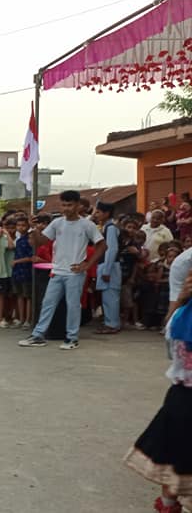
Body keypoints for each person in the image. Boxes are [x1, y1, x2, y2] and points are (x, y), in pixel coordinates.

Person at [124, 265, 192, 513]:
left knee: (175, 459)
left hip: (181, 397)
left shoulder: (179, 316)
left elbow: (170, 345)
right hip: (184, 399)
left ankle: (169, 504)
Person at [20, 190, 106, 350]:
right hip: (57, 270)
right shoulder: (57, 223)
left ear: (78, 205)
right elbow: (42, 242)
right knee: (48, 303)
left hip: (75, 272)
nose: (66, 208)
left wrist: (87, 264)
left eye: (70, 205)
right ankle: (38, 335)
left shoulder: (87, 224)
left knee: (73, 305)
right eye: (64, 205)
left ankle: (72, 338)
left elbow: (102, 245)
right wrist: (33, 229)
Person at [94, 202, 122, 334]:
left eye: (98, 212)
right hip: (106, 265)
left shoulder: (110, 228)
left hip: (110, 267)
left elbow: (112, 249)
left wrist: (106, 270)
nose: (96, 214)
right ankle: (109, 322)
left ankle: (112, 324)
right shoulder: (105, 227)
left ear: (107, 213)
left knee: (110, 297)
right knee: (107, 297)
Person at [11, 216, 34, 329]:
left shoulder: (30, 240)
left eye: (23, 225)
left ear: (28, 226)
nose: (20, 228)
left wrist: (17, 261)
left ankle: (28, 320)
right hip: (17, 271)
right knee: (19, 295)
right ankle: (21, 318)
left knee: (28, 296)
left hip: (27, 271)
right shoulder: (19, 240)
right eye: (18, 225)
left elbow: (31, 257)